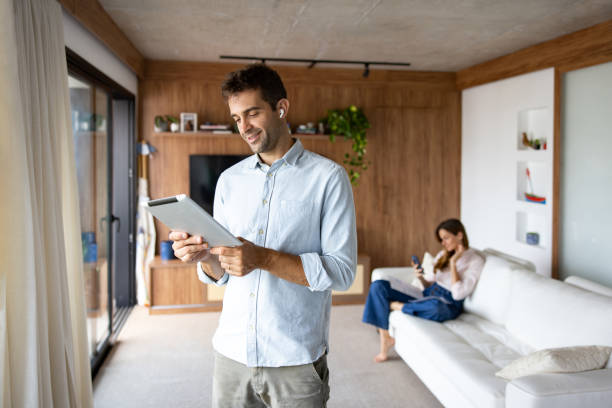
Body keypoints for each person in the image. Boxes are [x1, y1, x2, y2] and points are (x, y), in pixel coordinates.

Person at [169, 64, 357, 407]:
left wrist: (263, 258)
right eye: (236, 118)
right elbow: (222, 271)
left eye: (252, 113)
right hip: (232, 353)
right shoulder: (228, 180)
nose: (244, 127)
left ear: (281, 108)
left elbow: (342, 273)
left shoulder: (329, 178)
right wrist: (205, 257)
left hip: (295, 359)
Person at [362, 219, 484, 363]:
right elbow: (428, 284)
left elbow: (457, 294)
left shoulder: (475, 260)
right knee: (378, 285)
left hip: (447, 302)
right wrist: (420, 277)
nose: (443, 243)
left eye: (446, 238)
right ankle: (385, 337)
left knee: (436, 308)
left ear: (459, 235)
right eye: (441, 239)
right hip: (427, 294)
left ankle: (394, 305)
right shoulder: (443, 255)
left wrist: (453, 264)